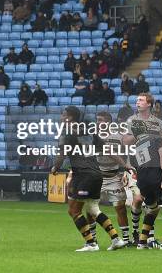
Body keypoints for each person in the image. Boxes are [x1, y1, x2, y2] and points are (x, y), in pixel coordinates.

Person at [51, 106, 128, 252]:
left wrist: (55, 168)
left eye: (63, 114)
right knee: (93, 208)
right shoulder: (90, 132)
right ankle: (116, 239)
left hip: (83, 175)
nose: (61, 117)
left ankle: (91, 244)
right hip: (97, 175)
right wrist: (125, 165)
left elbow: (61, 154)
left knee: (73, 210)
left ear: (70, 117)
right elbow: (108, 150)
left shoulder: (66, 132)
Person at [123, 93, 162, 249]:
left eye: (141, 100)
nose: (137, 102)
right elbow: (126, 141)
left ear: (149, 104)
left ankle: (146, 240)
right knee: (147, 203)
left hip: (152, 167)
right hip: (141, 166)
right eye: (137, 101)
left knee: (151, 205)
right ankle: (148, 238)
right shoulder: (132, 120)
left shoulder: (158, 122)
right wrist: (137, 135)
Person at [96, 112, 131, 244]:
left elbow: (126, 155)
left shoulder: (119, 137)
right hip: (97, 178)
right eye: (97, 120)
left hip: (114, 176)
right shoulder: (93, 137)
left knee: (120, 208)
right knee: (91, 208)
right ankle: (92, 240)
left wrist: (125, 172)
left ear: (109, 122)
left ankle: (126, 239)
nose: (98, 123)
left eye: (101, 120)